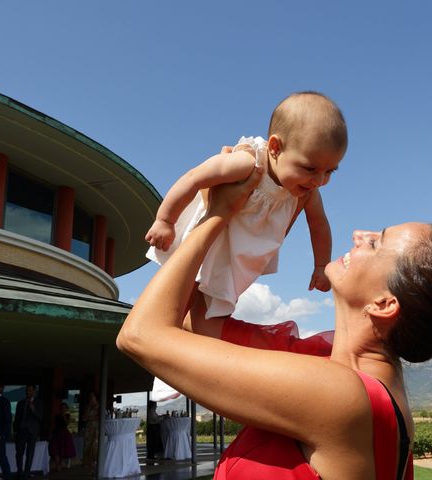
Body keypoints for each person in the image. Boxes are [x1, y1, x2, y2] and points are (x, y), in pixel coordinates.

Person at [117, 170, 432, 479]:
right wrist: (253, 215)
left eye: (376, 244)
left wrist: (216, 214)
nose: (359, 234)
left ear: (383, 304)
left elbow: (140, 336)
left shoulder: (341, 396)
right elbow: (194, 324)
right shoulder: (332, 363)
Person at [146, 91, 347, 400]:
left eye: (330, 171)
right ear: (276, 148)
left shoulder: (306, 191)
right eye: (310, 168)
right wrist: (164, 219)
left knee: (211, 313)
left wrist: (321, 265)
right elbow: (194, 177)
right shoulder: (246, 163)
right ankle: (166, 364)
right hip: (209, 241)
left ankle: (188, 364)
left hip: (237, 253)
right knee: (180, 297)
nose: (320, 180)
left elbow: (319, 225)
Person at [14, 384, 43, 479]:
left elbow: (41, 417)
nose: (28, 392)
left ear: (34, 391)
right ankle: (20, 472)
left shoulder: (39, 402)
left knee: (30, 454)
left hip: (32, 432)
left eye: (30, 390)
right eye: (27, 390)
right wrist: (15, 431)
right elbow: (17, 419)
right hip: (21, 431)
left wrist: (33, 409)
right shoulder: (20, 403)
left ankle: (27, 473)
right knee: (19, 453)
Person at [49, 402, 76, 472]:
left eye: (64, 408)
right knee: (55, 448)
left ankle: (60, 464)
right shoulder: (56, 416)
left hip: (64, 433)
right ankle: (57, 463)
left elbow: (67, 423)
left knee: (62, 449)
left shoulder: (67, 415)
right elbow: (53, 424)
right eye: (62, 408)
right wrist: (51, 432)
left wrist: (64, 415)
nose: (63, 409)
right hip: (56, 432)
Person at [81, 392, 99, 475]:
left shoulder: (99, 406)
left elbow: (99, 417)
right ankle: (90, 468)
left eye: (92, 397)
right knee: (87, 448)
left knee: (94, 448)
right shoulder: (88, 407)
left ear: (96, 397)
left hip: (96, 429)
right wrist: (88, 417)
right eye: (90, 397)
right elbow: (84, 418)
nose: (91, 398)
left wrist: (90, 418)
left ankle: (95, 466)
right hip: (88, 430)